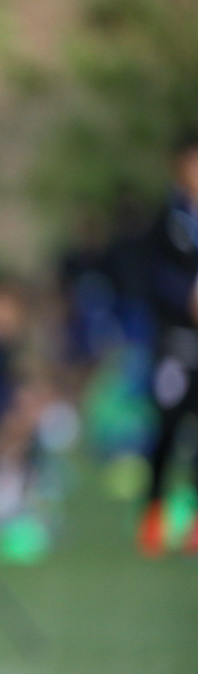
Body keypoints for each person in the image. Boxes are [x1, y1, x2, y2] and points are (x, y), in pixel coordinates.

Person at [136, 132, 198, 557]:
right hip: (176, 342)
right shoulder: (167, 219)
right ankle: (154, 513)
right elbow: (152, 276)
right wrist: (187, 295)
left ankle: (194, 521)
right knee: (168, 428)